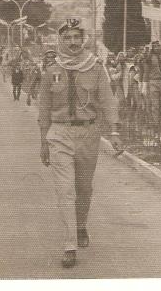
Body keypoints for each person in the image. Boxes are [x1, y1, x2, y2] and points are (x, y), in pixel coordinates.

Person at [38, 19, 123, 268]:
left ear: (83, 39)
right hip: (59, 134)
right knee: (65, 191)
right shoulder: (52, 70)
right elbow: (44, 108)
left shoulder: (95, 68)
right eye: (68, 38)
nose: (73, 42)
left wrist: (115, 131)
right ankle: (69, 243)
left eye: (77, 37)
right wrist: (43, 141)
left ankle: (81, 224)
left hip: (88, 134)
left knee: (83, 188)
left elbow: (107, 101)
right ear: (60, 41)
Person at [141, 41, 161, 123]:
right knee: (155, 105)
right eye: (155, 46)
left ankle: (157, 119)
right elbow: (146, 72)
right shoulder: (149, 57)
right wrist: (144, 86)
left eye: (158, 46)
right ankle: (155, 124)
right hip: (153, 82)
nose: (157, 48)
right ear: (152, 48)